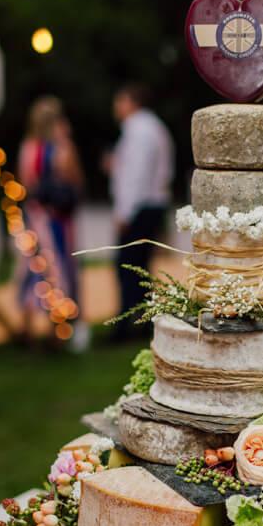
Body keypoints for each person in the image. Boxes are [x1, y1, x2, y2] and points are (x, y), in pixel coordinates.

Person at [17, 96, 85, 344]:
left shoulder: (28, 148)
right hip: (57, 220)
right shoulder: (62, 149)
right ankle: (56, 329)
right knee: (59, 270)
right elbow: (75, 180)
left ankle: (26, 327)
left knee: (33, 270)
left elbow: (26, 183)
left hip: (35, 218)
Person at [109, 83, 174, 336]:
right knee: (141, 267)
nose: (116, 106)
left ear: (132, 102)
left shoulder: (139, 130)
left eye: (120, 100)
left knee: (127, 267)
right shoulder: (154, 127)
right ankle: (143, 320)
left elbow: (136, 175)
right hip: (152, 205)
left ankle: (127, 324)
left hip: (140, 207)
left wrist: (124, 212)